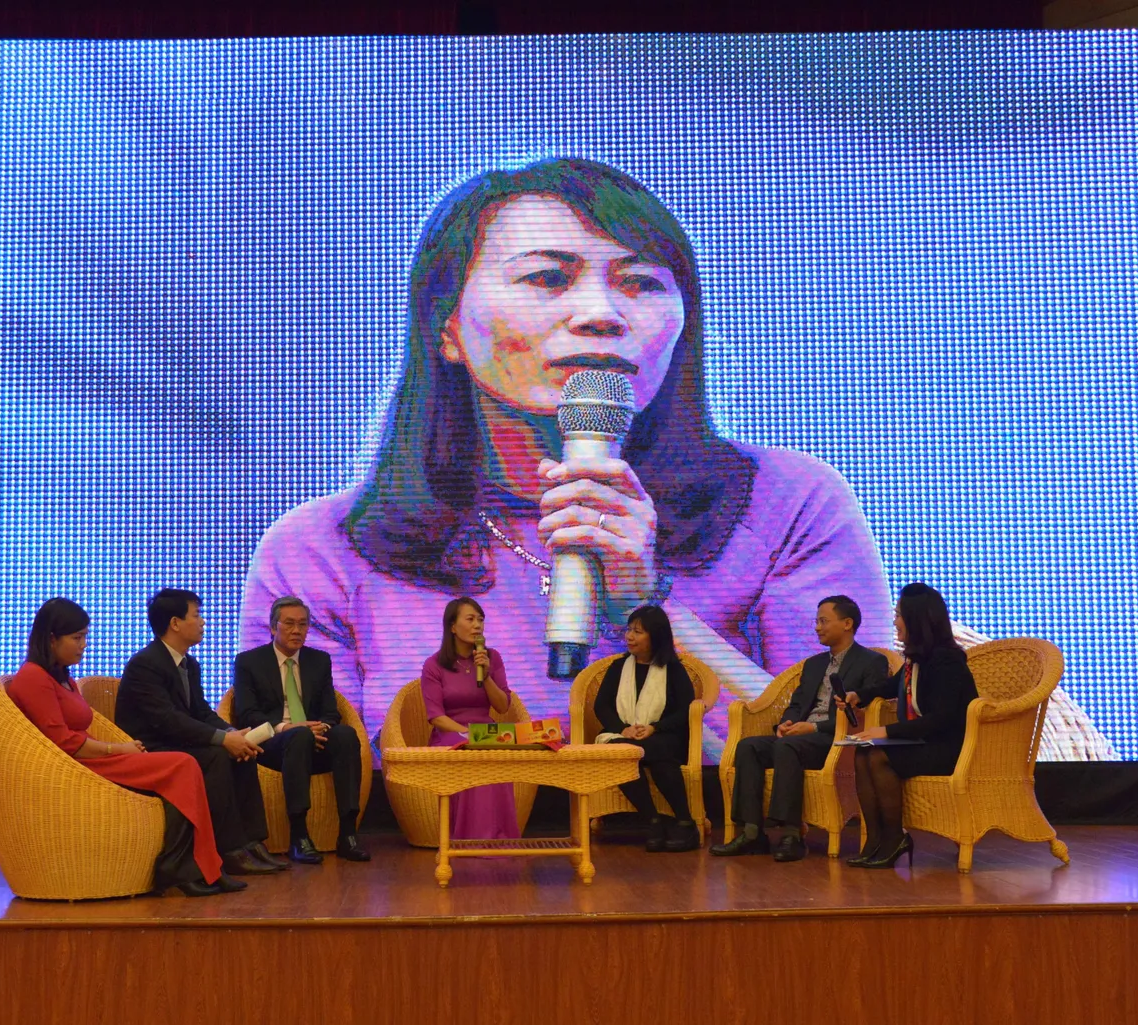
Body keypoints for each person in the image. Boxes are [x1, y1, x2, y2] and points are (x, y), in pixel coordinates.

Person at [241, 158, 895, 758]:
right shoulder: (317, 550)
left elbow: (840, 747)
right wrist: (534, 742)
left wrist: (645, 606)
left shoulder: (790, 503)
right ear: (447, 328)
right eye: (547, 277)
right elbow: (321, 767)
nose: (601, 313)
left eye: (640, 282)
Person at [5, 597, 245, 897]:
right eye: (76, 638)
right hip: (77, 765)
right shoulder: (33, 677)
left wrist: (118, 746)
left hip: (90, 756)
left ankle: (201, 866)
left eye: (85, 637)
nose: (83, 645)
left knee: (185, 767)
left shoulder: (63, 676)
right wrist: (117, 750)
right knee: (183, 764)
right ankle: (187, 867)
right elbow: (65, 743)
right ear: (51, 639)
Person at [114, 588, 286, 876]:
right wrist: (222, 740)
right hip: (151, 747)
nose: (203, 621)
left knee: (242, 752)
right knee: (216, 756)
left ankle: (252, 841)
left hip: (179, 741)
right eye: (196, 615)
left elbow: (202, 711)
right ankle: (228, 849)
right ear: (175, 623)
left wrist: (232, 733)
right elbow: (167, 721)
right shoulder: (146, 663)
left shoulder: (189, 663)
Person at [710, 595, 890, 862]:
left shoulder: (872, 662)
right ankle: (751, 832)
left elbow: (863, 713)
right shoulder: (814, 663)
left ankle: (791, 835)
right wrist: (787, 722)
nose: (817, 627)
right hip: (800, 737)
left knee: (788, 746)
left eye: (823, 621)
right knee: (749, 746)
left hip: (837, 739)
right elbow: (797, 703)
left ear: (847, 623)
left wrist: (813, 728)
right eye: (816, 621)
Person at [840, 582, 978, 869]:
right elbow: (893, 686)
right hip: (925, 743)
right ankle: (875, 839)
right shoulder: (917, 659)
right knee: (864, 753)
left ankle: (894, 838)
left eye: (899, 615)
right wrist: (860, 695)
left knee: (877, 755)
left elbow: (941, 719)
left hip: (949, 748)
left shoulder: (947, 661)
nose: (894, 621)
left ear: (917, 619)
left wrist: (886, 731)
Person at [232, 596, 369, 864]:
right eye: (290, 624)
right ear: (273, 627)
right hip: (271, 743)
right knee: (298, 736)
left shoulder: (319, 661)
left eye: (303, 624)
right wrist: (289, 727)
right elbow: (247, 714)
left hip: (312, 739)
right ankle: (299, 835)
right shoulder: (249, 661)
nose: (297, 631)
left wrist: (320, 728)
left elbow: (331, 711)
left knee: (345, 735)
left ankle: (349, 833)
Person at [593, 604, 701, 853]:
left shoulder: (673, 669)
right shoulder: (618, 668)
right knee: (620, 753)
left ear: (657, 636)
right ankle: (653, 820)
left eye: (638, 632)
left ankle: (685, 823)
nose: (629, 636)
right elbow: (602, 707)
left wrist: (655, 728)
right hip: (627, 736)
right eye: (629, 630)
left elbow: (684, 709)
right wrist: (623, 729)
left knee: (658, 756)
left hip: (664, 737)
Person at [419, 597, 518, 839]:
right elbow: (436, 717)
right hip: (451, 733)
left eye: (481, 620)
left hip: (486, 731)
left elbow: (503, 706)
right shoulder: (434, 665)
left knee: (497, 754)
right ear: (452, 626)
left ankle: (498, 838)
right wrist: (467, 734)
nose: (478, 626)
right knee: (469, 755)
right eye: (470, 619)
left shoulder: (492, 658)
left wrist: (485, 676)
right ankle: (467, 838)